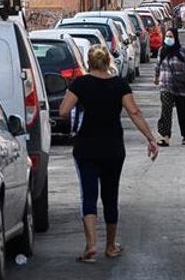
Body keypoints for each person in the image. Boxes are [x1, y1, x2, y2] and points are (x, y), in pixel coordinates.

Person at [56, 45, 158, 262]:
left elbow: (63, 111)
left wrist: (78, 104)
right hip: (113, 148)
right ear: (108, 61)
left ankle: (91, 246)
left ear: (89, 62)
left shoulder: (80, 84)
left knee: (89, 195)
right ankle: (110, 246)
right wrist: (150, 138)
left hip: (86, 147)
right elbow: (134, 112)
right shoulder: (119, 85)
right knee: (111, 196)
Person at [154, 31, 185, 145]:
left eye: (171, 36)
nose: (168, 38)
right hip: (166, 85)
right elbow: (158, 65)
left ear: (175, 38)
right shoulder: (162, 51)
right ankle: (164, 136)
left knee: (184, 112)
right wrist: (156, 77)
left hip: (182, 87)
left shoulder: (183, 52)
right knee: (165, 111)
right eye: (166, 36)